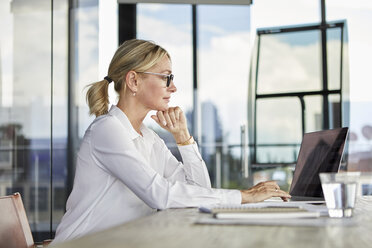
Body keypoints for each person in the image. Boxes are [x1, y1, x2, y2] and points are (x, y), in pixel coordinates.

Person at [52, 39, 291, 244]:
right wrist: (243, 196)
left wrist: (183, 139)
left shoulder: (148, 137)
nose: (173, 87)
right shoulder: (107, 130)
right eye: (167, 78)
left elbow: (200, 192)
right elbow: (160, 195)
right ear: (134, 81)